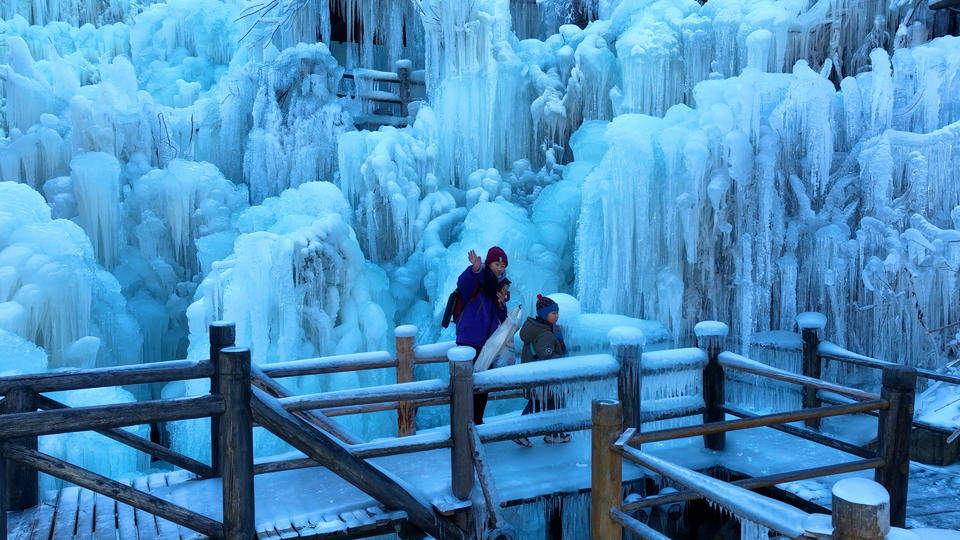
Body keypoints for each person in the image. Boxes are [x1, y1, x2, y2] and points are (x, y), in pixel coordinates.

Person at [455, 246, 510, 425]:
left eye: (503, 266)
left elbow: (503, 318)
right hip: (469, 339)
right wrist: (475, 269)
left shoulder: (500, 288)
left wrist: (502, 304)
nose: (500, 268)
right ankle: (464, 422)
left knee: (483, 383)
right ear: (489, 263)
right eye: (496, 264)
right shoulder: (478, 278)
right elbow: (462, 285)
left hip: (488, 343)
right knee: (466, 383)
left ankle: (477, 420)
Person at [513, 294, 571, 446]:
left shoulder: (538, 328)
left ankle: (552, 433)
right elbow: (546, 357)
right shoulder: (545, 334)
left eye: (557, 312)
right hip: (543, 378)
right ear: (544, 315)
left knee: (545, 404)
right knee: (542, 404)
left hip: (537, 378)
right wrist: (562, 361)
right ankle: (521, 432)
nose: (557, 316)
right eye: (553, 313)